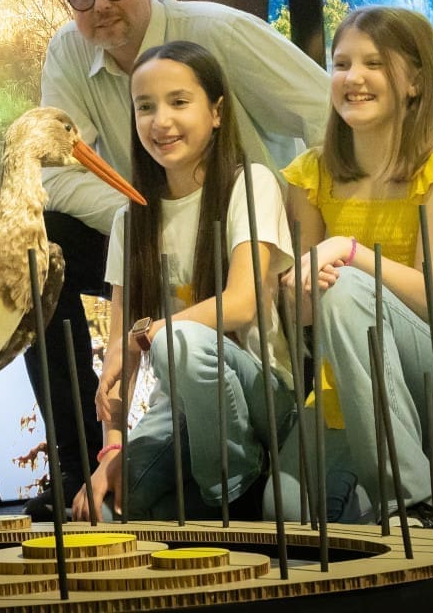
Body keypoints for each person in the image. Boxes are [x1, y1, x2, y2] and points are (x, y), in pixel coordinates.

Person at [26, 0, 330, 518]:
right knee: (41, 257)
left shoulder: (218, 33)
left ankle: (243, 474)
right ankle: (83, 460)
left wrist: (310, 229)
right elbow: (54, 175)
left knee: (191, 345)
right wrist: (153, 215)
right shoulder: (69, 51)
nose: (99, 6)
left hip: (244, 237)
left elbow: (325, 113)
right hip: (152, 233)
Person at [280, 5, 433, 527]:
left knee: (350, 287)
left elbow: (430, 299)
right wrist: (294, 289)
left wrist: (348, 252)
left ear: (415, 81)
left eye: (373, 63)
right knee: (284, 513)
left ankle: (416, 501)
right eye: (341, 64)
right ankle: (417, 465)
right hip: (345, 375)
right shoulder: (309, 174)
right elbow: (307, 317)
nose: (353, 78)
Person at [70, 40, 295, 521]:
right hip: (176, 409)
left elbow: (240, 305)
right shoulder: (129, 222)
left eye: (178, 102)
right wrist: (110, 454)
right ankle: (201, 497)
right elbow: (118, 360)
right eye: (145, 107)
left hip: (261, 395)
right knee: (103, 511)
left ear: (215, 112)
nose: (160, 121)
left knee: (180, 341)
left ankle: (233, 487)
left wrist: (145, 336)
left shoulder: (249, 184)